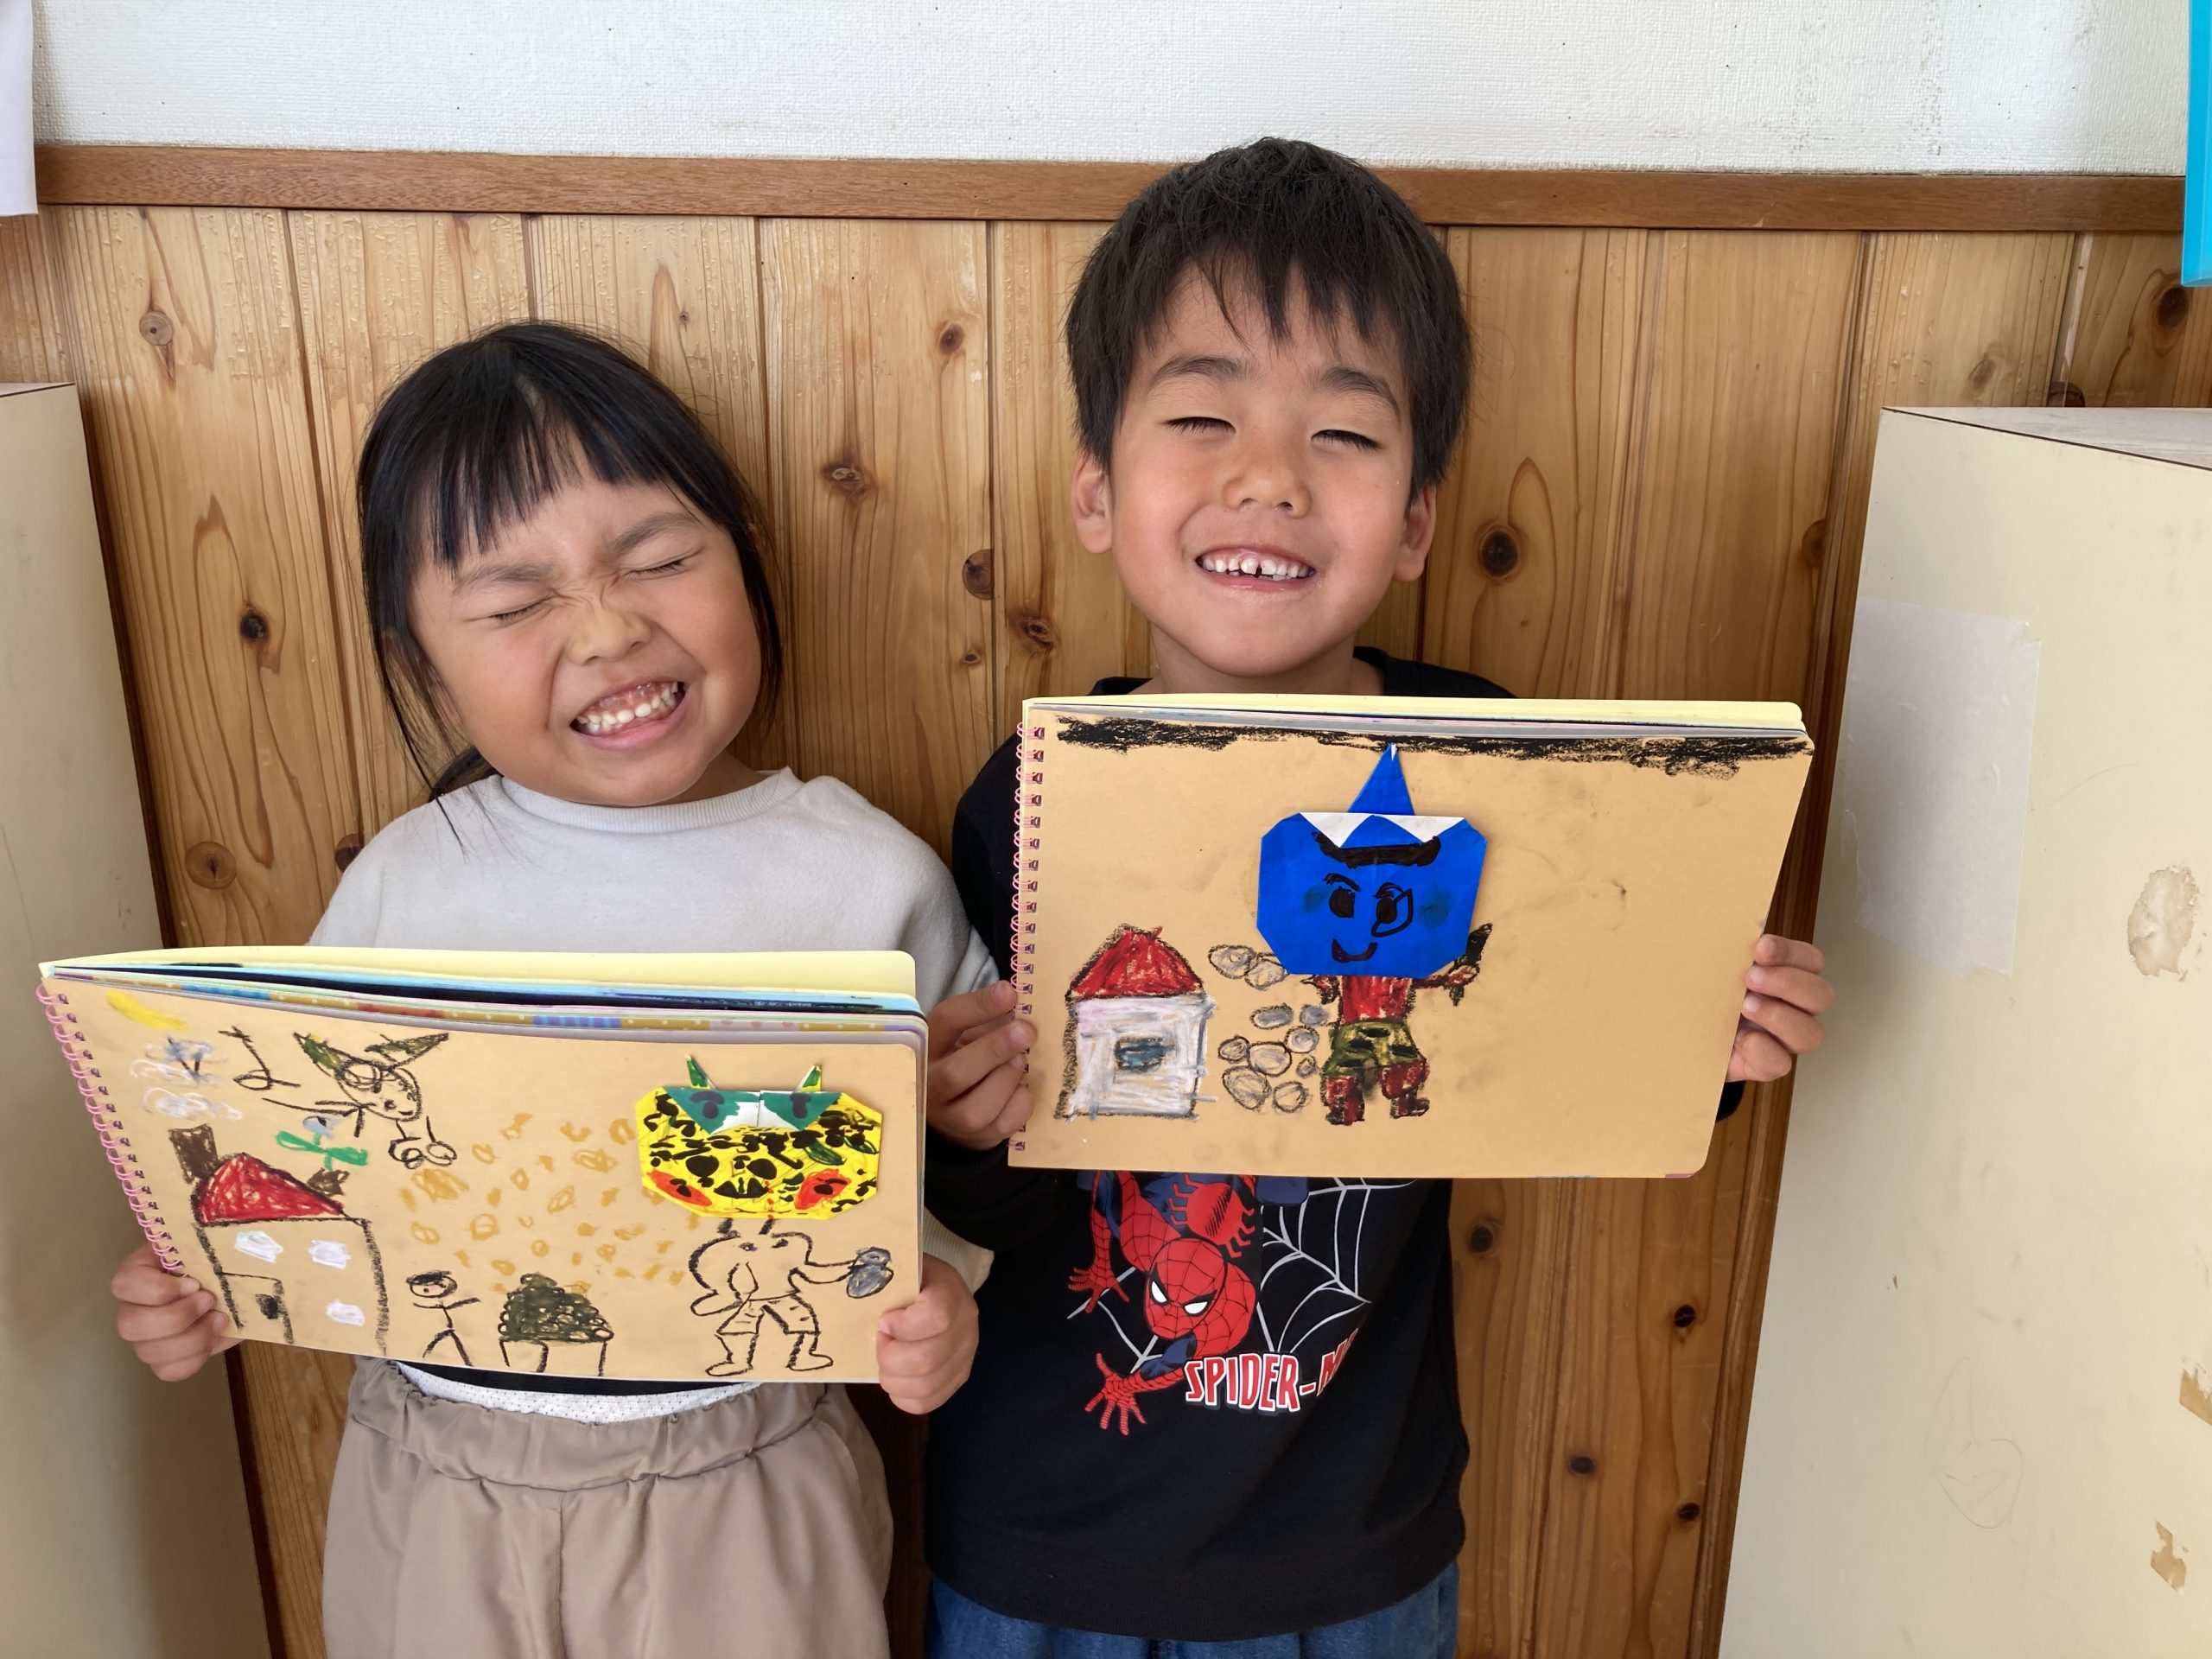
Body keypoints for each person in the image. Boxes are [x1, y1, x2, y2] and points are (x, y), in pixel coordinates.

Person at [921, 138, 1836, 1657]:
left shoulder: (1486, 761)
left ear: (1415, 521)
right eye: (1201, 414)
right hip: (1044, 1536)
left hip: (1355, 1542)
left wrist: (1711, 1036)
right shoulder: (1031, 790)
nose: (1268, 477)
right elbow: (1002, 1196)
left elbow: (1553, 1048)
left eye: (1343, 433)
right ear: (1096, 490)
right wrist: (966, 1130)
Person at [105, 321, 1001, 1659]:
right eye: (515, 602)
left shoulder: (866, 879)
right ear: (423, 662)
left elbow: (955, 1169)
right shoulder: (404, 885)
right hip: (432, 1476)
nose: (608, 628)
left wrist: (941, 1303)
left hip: (742, 1473)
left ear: (746, 562)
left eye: (660, 557)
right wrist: (206, 1281)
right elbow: (306, 1154)